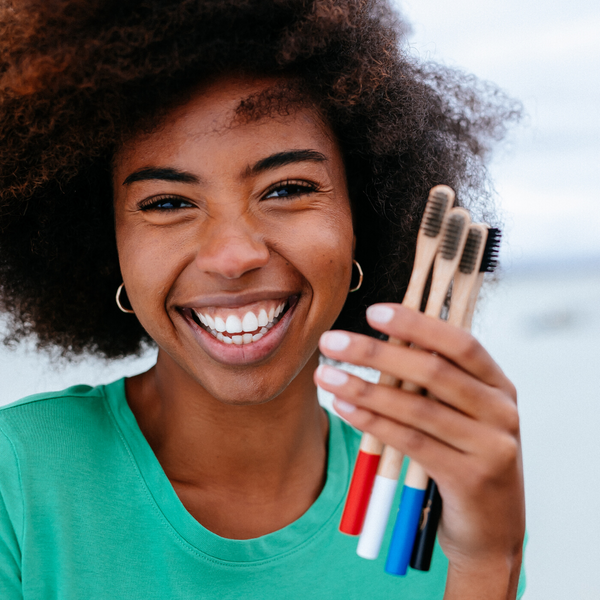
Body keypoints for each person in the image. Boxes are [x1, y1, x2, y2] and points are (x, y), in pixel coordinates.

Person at [0, 0, 525, 598]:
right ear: (105, 241)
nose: (232, 254)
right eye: (168, 202)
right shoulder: (15, 480)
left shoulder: (438, 502)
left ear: (366, 217)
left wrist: (488, 560)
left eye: (288, 189)